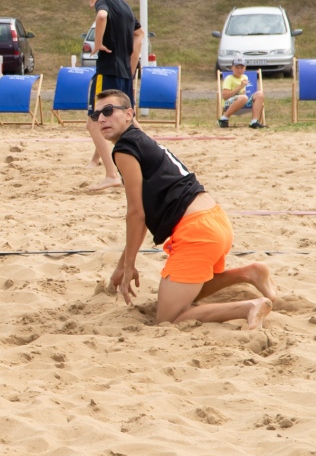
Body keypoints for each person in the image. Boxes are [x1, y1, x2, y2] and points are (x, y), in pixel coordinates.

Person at [95, 89, 276, 330]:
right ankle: (250, 272)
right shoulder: (141, 139)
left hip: (196, 232)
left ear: (129, 114)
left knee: (169, 317)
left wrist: (128, 265)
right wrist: (122, 263)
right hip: (216, 220)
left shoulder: (124, 149)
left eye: (108, 111)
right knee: (183, 295)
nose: (101, 119)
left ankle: (249, 307)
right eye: (96, 114)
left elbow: (136, 214)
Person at [84, 0, 145, 191]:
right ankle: (152, 154)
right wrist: (131, 60)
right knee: (127, 121)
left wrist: (98, 42)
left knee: (94, 123)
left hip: (107, 70)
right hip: (123, 74)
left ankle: (111, 175)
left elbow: (101, 16)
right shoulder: (126, 7)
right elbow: (140, 34)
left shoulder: (105, 2)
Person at [219, 57, 265, 128]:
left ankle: (254, 121)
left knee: (260, 94)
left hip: (243, 101)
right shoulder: (229, 78)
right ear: (232, 68)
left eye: (241, 67)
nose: (239, 70)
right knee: (244, 97)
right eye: (237, 67)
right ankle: (224, 118)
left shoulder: (245, 77)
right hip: (229, 103)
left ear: (245, 68)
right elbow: (225, 96)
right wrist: (240, 87)